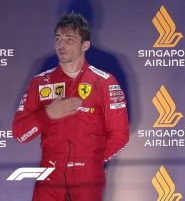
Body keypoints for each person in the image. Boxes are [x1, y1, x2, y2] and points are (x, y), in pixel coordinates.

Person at [12, 13, 129, 201]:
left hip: (88, 179)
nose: (61, 45)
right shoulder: (40, 82)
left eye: (69, 39)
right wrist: (47, 115)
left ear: (85, 45)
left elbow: (120, 135)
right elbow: (19, 133)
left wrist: (92, 163)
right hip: (49, 176)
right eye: (58, 39)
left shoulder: (104, 82)